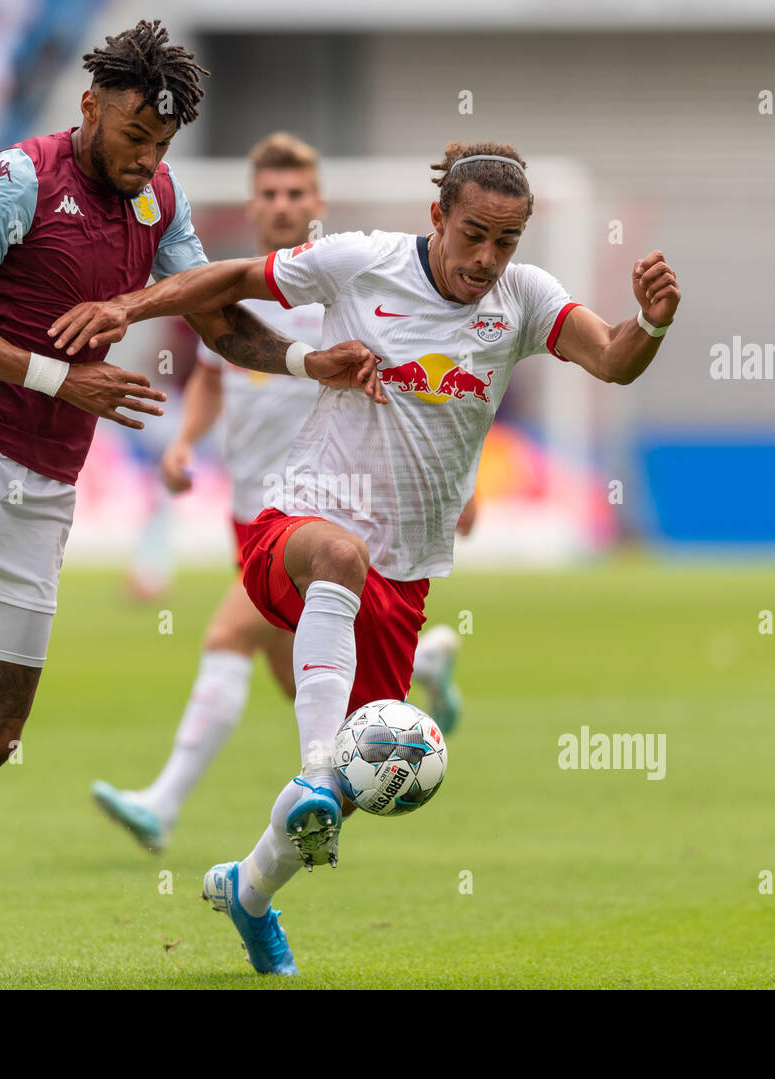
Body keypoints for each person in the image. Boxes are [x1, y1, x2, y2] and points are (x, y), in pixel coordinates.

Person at [50, 139, 680, 975]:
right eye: (472, 237)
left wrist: (656, 321)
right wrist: (128, 307)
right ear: (437, 219)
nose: (486, 260)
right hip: (302, 520)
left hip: (406, 572)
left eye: (505, 243)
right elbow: (234, 281)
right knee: (334, 574)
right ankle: (298, 773)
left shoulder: (525, 299)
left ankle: (248, 889)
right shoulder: (360, 263)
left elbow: (611, 359)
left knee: (360, 783)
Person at [0, 20, 377, 941]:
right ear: (89, 106)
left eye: (164, 144)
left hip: (45, 476)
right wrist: (67, 380)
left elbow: (217, 325)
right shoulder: (16, 180)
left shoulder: (160, 204)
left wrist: (309, 362)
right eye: (135, 136)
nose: (149, 158)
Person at [91, 132, 467, 854]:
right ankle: (420, 671)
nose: (283, 204)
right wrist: (182, 441)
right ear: (253, 200)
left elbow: (430, 393)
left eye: (297, 193)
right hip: (249, 512)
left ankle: (165, 802)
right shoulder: (233, 289)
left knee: (230, 634)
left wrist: (458, 481)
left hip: (321, 516)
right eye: (270, 193)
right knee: (303, 681)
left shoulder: (342, 286)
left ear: (317, 203)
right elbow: (211, 374)